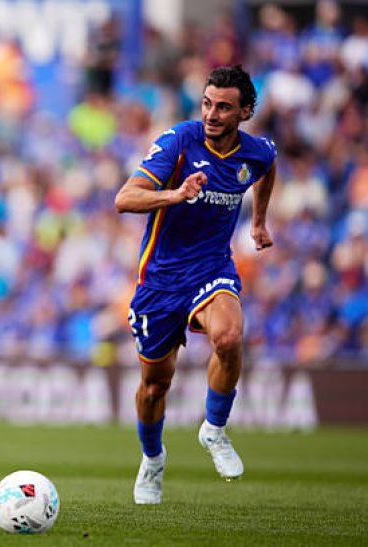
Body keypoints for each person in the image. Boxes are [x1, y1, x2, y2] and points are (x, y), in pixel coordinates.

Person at [114, 65, 277, 505]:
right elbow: (125, 198)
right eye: (207, 104)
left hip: (211, 268)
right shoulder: (179, 141)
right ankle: (152, 459)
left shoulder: (255, 152)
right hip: (160, 281)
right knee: (154, 386)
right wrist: (175, 194)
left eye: (223, 107)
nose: (211, 114)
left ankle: (215, 428)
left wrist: (258, 222)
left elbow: (268, 166)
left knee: (229, 336)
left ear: (244, 112)